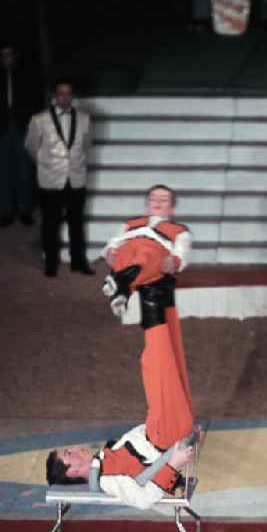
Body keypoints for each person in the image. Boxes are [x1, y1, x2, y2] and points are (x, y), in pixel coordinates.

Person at [102, 185, 195, 452]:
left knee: (148, 255)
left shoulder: (178, 231)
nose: (157, 203)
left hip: (155, 265)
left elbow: (181, 255)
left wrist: (175, 262)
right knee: (132, 253)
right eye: (153, 199)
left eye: (163, 200)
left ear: (172, 208)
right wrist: (111, 251)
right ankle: (122, 284)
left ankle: (120, 286)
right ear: (146, 204)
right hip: (131, 258)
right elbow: (113, 244)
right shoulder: (130, 225)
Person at [25, 78, 94, 277]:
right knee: (50, 223)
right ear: (54, 96)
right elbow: (31, 146)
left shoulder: (85, 118)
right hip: (50, 180)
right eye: (61, 93)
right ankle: (51, 263)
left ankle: (78, 262)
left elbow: (87, 144)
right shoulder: (39, 119)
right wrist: (46, 163)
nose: (64, 97)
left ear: (73, 96)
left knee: (76, 223)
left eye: (68, 93)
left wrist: (73, 162)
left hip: (76, 178)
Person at [45, 426, 198, 511]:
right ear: (72, 472)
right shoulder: (107, 480)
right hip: (164, 440)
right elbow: (144, 500)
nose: (77, 447)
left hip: (160, 432)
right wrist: (172, 465)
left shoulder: (104, 459)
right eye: (69, 453)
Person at [0, 46, 38, 228]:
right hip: (3, 130)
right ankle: (7, 211)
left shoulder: (26, 77)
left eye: (9, 55)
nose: (7, 59)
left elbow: (34, 103)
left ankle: (25, 210)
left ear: (15, 57)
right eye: (3, 56)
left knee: (24, 171)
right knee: (5, 171)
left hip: (23, 129)